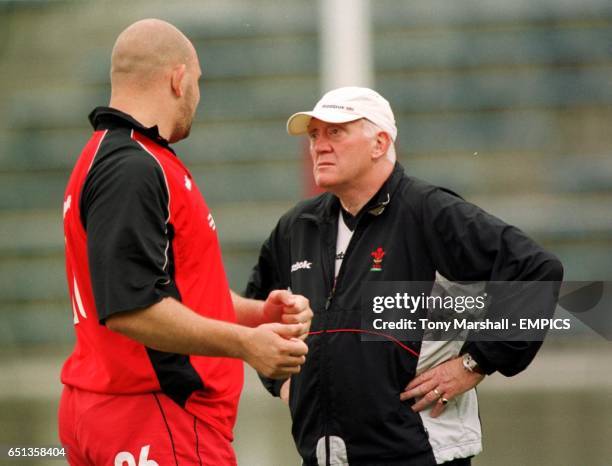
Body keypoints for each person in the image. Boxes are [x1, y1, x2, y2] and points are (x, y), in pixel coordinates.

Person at [245, 86, 563, 465]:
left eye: (335, 132)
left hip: (419, 453)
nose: (319, 146)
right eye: (314, 135)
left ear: (379, 143)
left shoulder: (429, 211)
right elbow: (257, 309)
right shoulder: (299, 225)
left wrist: (474, 363)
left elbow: (537, 270)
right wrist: (281, 380)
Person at [59, 19, 312, 466]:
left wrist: (256, 316)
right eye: (197, 81)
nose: (197, 94)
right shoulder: (133, 169)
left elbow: (173, 288)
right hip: (157, 419)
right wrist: (245, 345)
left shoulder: (120, 157)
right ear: (179, 79)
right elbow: (132, 308)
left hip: (126, 413)